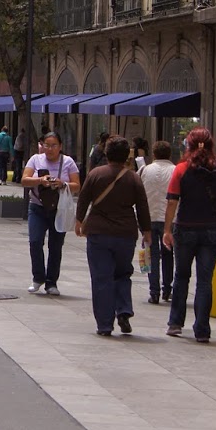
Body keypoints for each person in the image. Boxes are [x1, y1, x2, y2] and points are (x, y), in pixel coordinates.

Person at [162, 127, 216, 343]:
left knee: (181, 276)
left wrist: (167, 229)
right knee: (205, 281)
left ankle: (175, 323)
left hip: (185, 228)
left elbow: (172, 201)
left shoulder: (181, 169)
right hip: (211, 230)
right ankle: (202, 329)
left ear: (189, 145)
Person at [75, 136, 152, 336]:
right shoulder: (133, 177)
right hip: (125, 233)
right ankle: (124, 310)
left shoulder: (95, 174)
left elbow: (83, 198)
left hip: (99, 232)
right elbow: (142, 206)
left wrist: (79, 221)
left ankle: (104, 324)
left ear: (107, 154)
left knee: (102, 277)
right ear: (127, 155)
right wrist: (147, 231)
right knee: (123, 273)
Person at [21, 131, 80, 295]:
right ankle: (38, 277)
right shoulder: (35, 159)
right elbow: (24, 180)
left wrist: (62, 184)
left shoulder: (68, 162)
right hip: (37, 207)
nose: (50, 149)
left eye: (54, 145)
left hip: (58, 208)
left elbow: (77, 185)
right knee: (35, 241)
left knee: (55, 246)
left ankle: (51, 282)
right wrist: (40, 180)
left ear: (60, 147)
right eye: (47, 145)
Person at [139, 139, 176, 306]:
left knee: (151, 255)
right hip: (170, 219)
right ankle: (167, 289)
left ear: (154, 154)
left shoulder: (145, 170)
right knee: (168, 255)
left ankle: (153, 292)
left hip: (149, 217)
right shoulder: (175, 171)